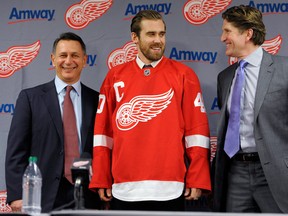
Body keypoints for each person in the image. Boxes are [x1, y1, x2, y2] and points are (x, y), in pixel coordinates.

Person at [89, 10, 211, 211]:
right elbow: (103, 133)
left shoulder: (184, 75)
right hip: (124, 187)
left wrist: (197, 176)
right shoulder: (114, 77)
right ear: (134, 38)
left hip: (170, 187)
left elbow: (197, 132)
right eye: (151, 34)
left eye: (161, 34)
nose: (158, 40)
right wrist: (101, 176)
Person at [5, 32, 100, 213]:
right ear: (53, 59)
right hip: (41, 194)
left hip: (87, 195)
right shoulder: (30, 98)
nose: (68, 61)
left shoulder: (97, 100)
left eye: (75, 55)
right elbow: (16, 151)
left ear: (85, 60)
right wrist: (17, 194)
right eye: (63, 55)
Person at [213, 5, 288, 213]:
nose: (222, 38)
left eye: (227, 31)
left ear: (248, 33)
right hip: (235, 172)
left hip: (276, 174)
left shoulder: (285, 70)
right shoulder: (225, 77)